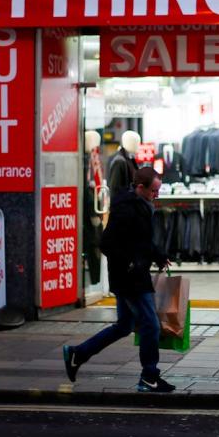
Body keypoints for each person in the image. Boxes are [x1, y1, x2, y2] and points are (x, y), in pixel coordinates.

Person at [62, 166, 175, 393]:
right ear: (140, 187)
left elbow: (141, 241)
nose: (157, 196)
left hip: (132, 275)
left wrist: (159, 256)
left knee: (124, 326)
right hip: (130, 278)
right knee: (150, 325)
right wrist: (131, 262)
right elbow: (106, 243)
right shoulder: (126, 209)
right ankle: (149, 376)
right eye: (154, 191)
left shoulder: (141, 206)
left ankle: (78, 354)